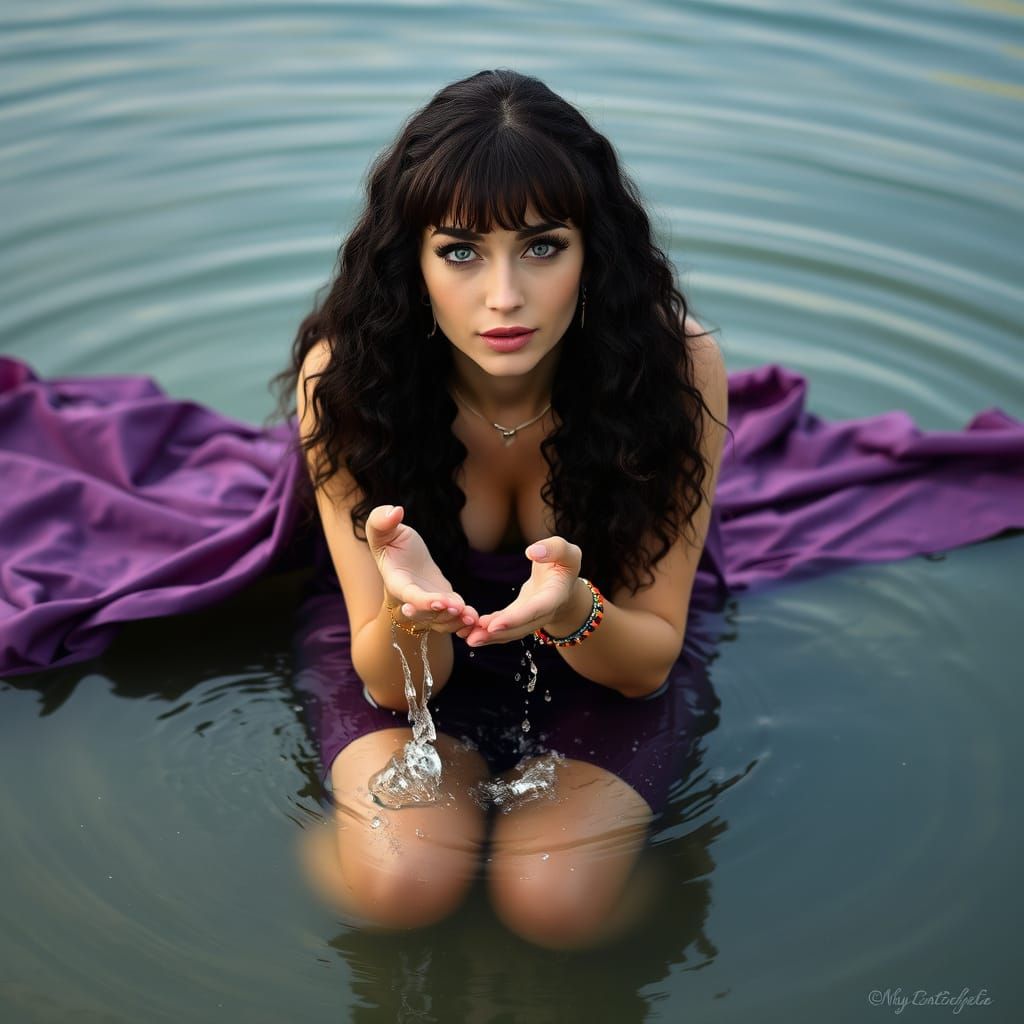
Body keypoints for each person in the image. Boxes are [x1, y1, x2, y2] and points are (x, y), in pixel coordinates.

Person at [277, 68, 728, 950]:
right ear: (411, 260)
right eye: (460, 251)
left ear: (594, 249)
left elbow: (643, 663)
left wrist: (571, 609)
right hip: (407, 661)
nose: (505, 299)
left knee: (554, 905)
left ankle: (638, 901)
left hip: (609, 649)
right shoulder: (350, 381)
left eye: (543, 246)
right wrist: (415, 610)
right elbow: (388, 680)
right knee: (399, 886)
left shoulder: (675, 372)